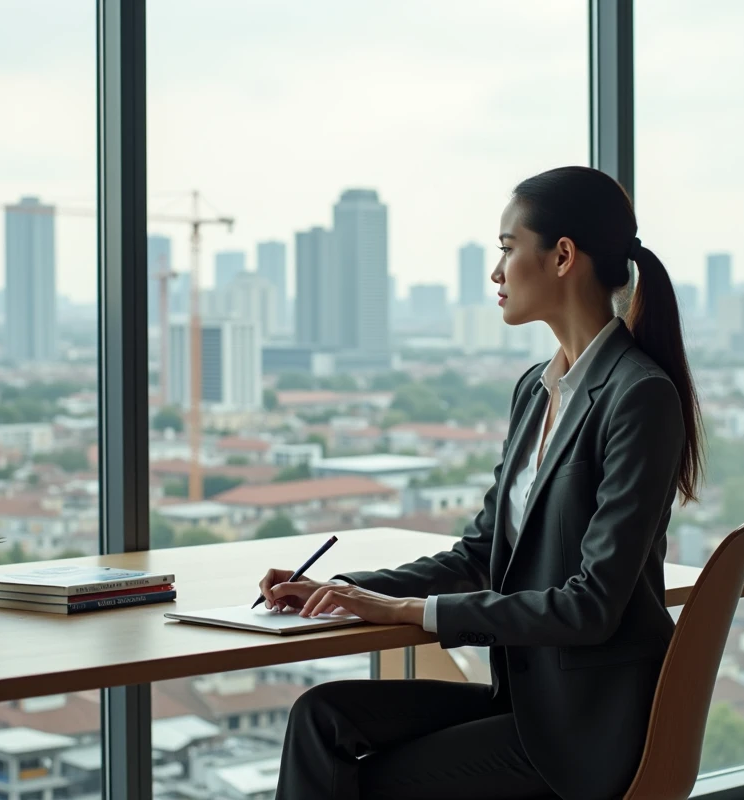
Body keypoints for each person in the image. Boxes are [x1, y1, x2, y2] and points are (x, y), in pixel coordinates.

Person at [260, 166, 703, 800]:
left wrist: (412, 612)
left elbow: (591, 605)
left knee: (364, 783)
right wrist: (341, 590)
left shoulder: (638, 396)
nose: (495, 272)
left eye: (505, 247)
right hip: (525, 698)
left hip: (586, 727)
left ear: (562, 257)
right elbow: (479, 555)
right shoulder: (536, 390)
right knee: (319, 718)